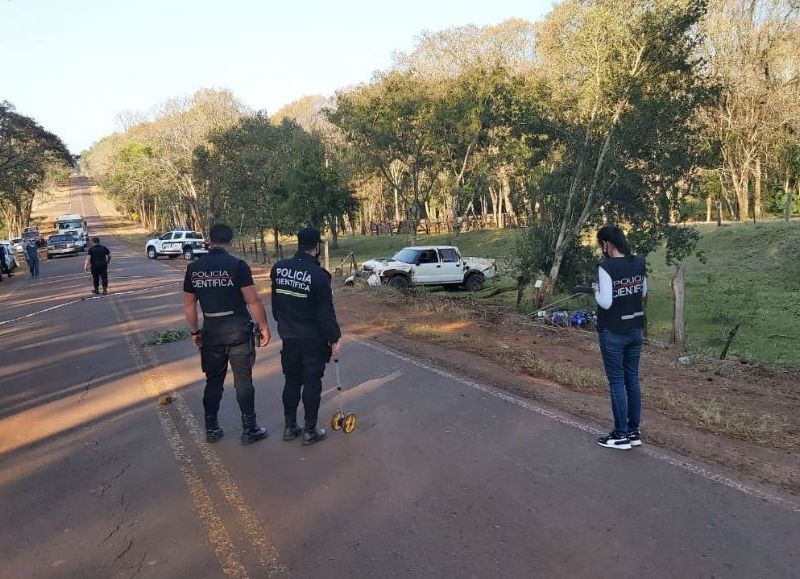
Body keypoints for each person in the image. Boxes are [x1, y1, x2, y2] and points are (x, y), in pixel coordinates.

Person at [183, 223, 272, 445]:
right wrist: (263, 327)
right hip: (238, 332)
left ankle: (211, 428)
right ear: (230, 241)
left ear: (209, 241)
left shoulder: (194, 268)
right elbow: (253, 300)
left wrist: (195, 332)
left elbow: (189, 306)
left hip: (211, 332)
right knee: (243, 380)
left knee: (213, 381)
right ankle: (249, 429)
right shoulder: (237, 265)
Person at [271, 228, 342, 446]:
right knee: (312, 382)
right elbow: (325, 313)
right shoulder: (319, 276)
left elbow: (276, 305)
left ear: (298, 243)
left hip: (289, 337)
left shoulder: (279, 268)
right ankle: (310, 430)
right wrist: (334, 339)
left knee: (292, 381)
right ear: (317, 247)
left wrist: (284, 326)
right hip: (312, 339)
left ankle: (289, 427)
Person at [593, 225, 647, 450]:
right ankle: (633, 431)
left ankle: (620, 434)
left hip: (613, 331)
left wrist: (596, 289)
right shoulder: (639, 262)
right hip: (635, 328)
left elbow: (606, 302)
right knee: (632, 379)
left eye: (601, 245)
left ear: (607, 244)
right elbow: (643, 291)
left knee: (616, 382)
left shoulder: (606, 267)